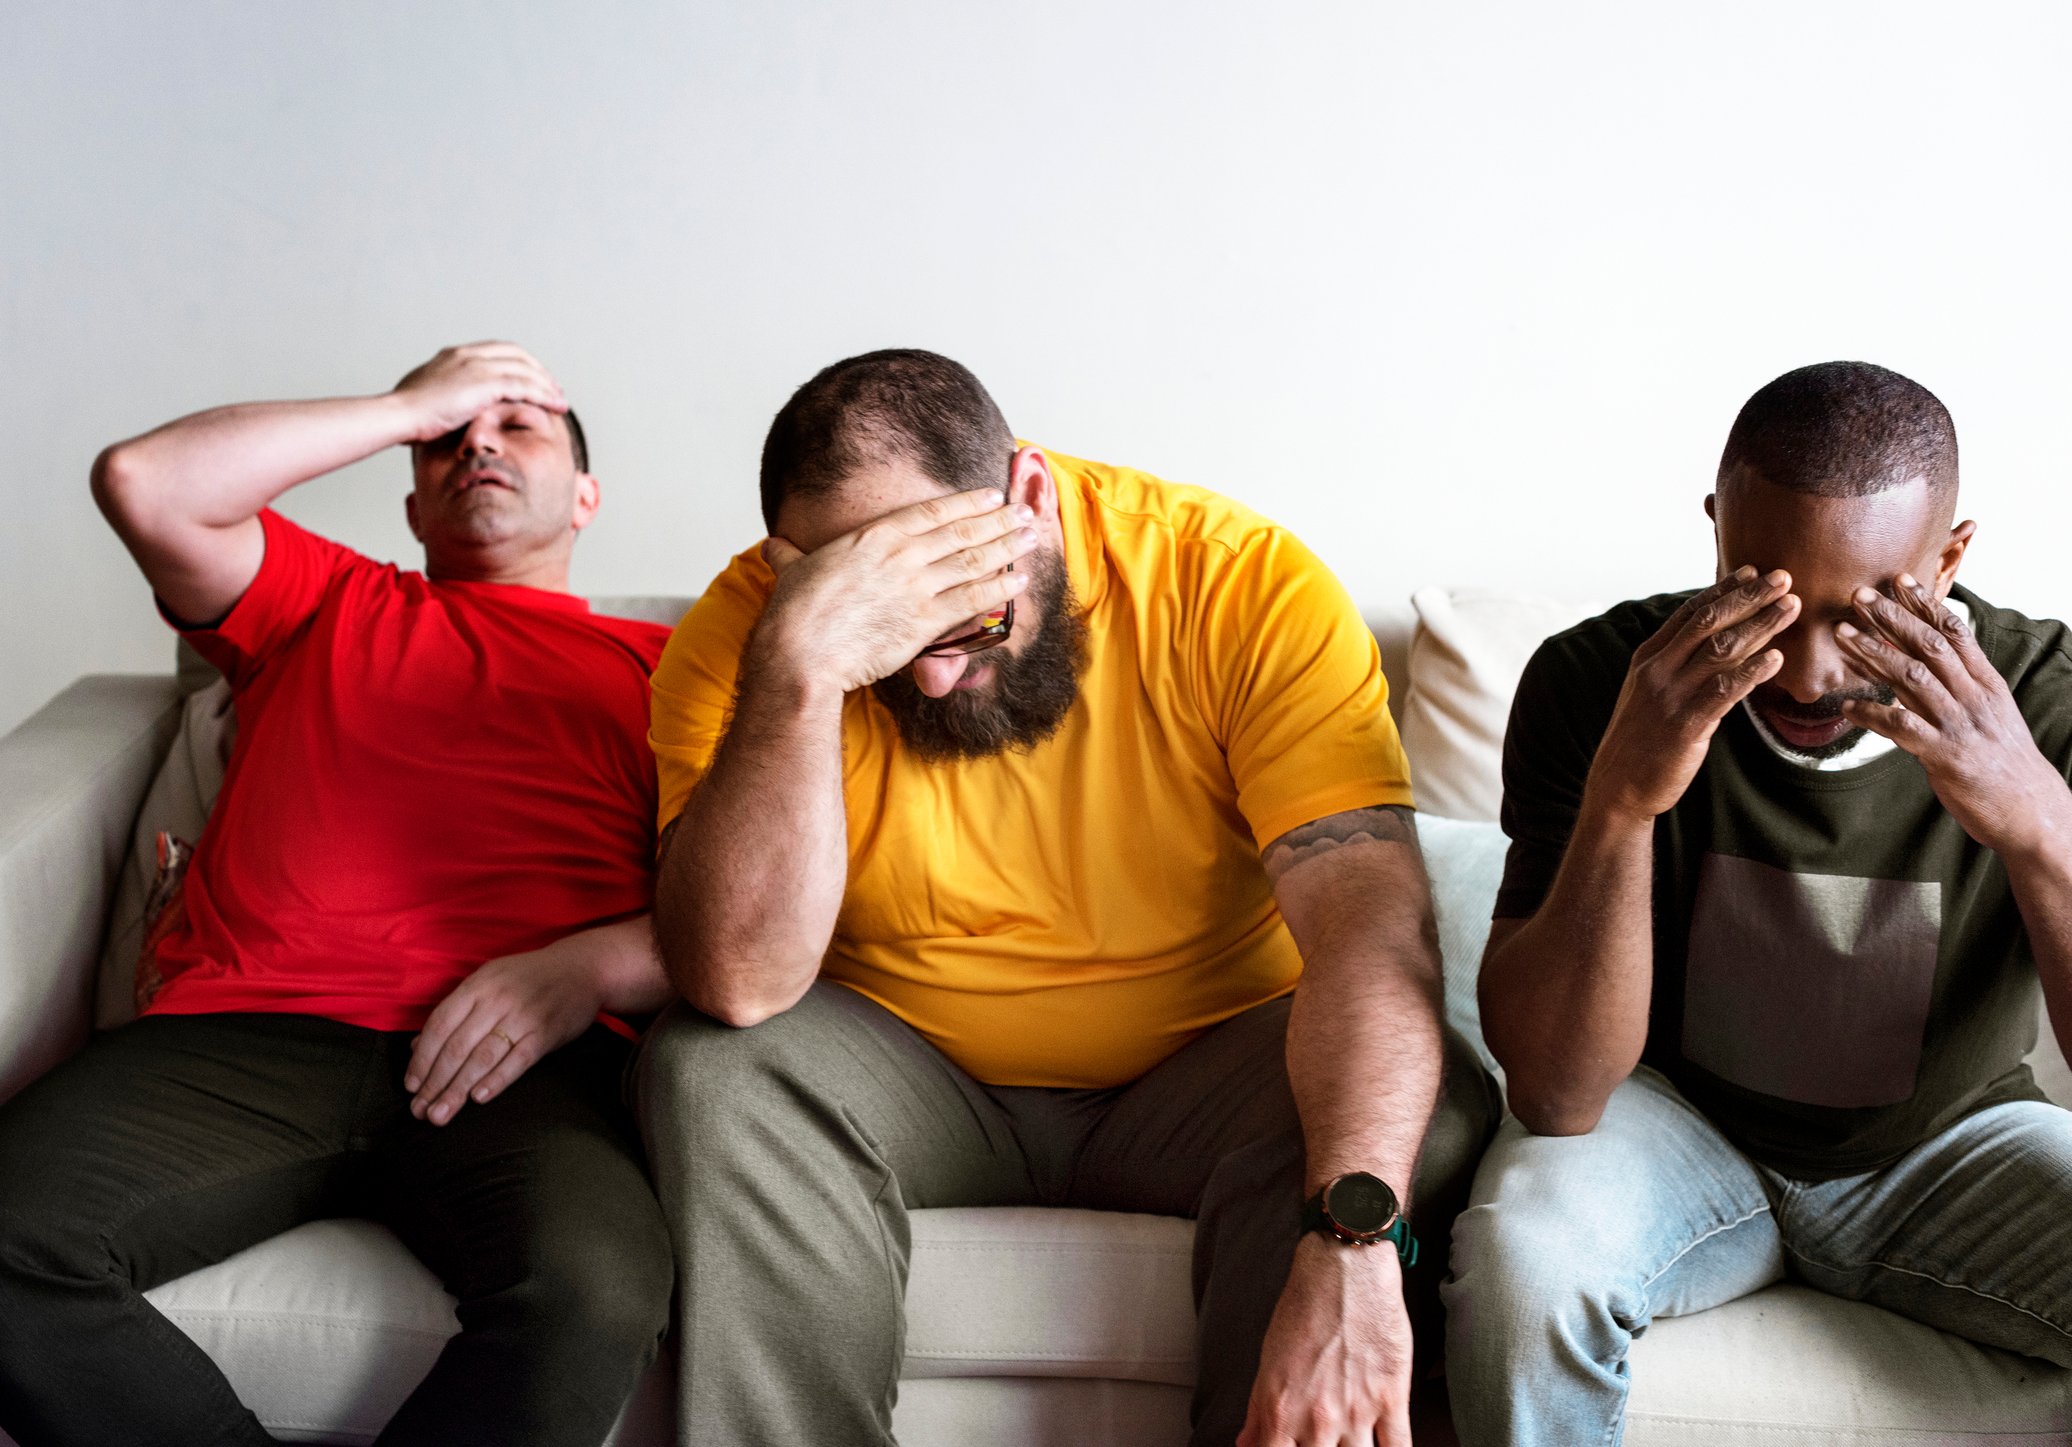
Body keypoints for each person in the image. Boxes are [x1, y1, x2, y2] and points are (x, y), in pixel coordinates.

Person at [638, 348, 1497, 1447]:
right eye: (892, 644)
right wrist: (802, 669)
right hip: (908, 1072)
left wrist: (1352, 1242)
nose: (934, 676)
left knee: (1414, 1098)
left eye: (971, 621)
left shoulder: (1236, 583)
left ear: (1029, 496)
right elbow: (739, 983)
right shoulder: (750, 639)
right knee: (710, 1066)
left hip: (1206, 1074)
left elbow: (1368, 932)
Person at [0, 343, 676, 1447]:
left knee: (592, 1294)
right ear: (411, 505)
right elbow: (143, 481)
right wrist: (410, 405)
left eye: (518, 428)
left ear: (586, 496)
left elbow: (760, 917)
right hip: (244, 1035)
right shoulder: (327, 598)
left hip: (525, 1058)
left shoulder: (674, 667)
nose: (479, 445)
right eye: (447, 442)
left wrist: (591, 968)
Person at [1446, 360, 2072, 1443]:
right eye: (1769, 595)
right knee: (1523, 1265)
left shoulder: (2046, 698)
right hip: (1671, 1126)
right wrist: (1621, 805)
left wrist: (2039, 824)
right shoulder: (1600, 681)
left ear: (1950, 558)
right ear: (1716, 532)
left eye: (1863, 612)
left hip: (1948, 1140)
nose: (1806, 673)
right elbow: (1554, 1095)